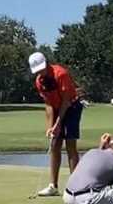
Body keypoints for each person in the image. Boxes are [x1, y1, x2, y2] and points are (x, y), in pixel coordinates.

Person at [28, 52, 84, 196]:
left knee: (70, 144)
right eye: (37, 70)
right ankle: (53, 186)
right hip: (57, 107)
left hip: (72, 106)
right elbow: (49, 105)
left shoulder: (61, 74)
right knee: (54, 144)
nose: (40, 72)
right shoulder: (39, 82)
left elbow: (66, 102)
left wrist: (58, 124)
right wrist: (50, 127)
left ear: (46, 63)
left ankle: (75, 186)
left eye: (42, 68)